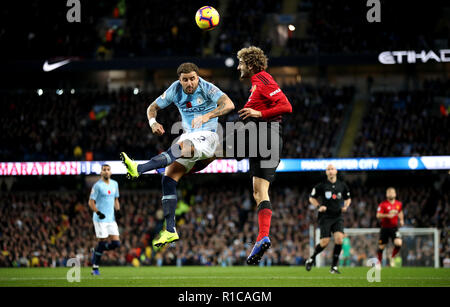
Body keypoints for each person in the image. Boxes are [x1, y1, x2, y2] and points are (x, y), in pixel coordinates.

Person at [120, 62, 235, 248]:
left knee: (181, 147)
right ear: (179, 80)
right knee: (169, 177)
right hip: (189, 135)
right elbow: (152, 107)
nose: (189, 83)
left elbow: (229, 104)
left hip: (209, 135)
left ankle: (139, 168)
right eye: (185, 80)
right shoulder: (175, 89)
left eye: (192, 79)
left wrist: (209, 115)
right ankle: (170, 230)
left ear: (197, 77)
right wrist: (152, 123)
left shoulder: (207, 88)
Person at [235, 46, 292, 264]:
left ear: (250, 64)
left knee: (212, 146)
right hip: (270, 139)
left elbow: (286, 106)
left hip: (264, 134)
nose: (239, 67)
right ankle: (263, 236)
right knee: (260, 192)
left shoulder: (263, 78)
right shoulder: (256, 84)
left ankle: (169, 165)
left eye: (241, 63)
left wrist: (260, 113)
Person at [305, 164, 351, 274]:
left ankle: (334, 267)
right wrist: (318, 207)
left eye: (332, 169)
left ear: (336, 171)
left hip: (337, 216)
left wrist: (346, 206)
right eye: (328, 169)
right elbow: (312, 198)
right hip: (325, 217)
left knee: (339, 239)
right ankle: (311, 258)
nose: (330, 171)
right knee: (324, 242)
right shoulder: (321, 185)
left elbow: (348, 198)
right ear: (326, 172)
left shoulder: (342, 185)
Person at [88, 164, 121, 275]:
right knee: (102, 241)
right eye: (104, 170)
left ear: (110, 172)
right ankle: (95, 268)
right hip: (100, 219)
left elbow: (116, 199)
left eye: (108, 170)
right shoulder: (97, 186)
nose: (106, 171)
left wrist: (118, 210)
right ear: (101, 172)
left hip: (111, 219)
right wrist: (98, 212)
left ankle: (96, 250)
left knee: (116, 243)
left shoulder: (115, 184)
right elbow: (91, 202)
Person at [376, 187, 404, 267]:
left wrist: (401, 220)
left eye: (392, 192)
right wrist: (388, 215)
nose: (391, 193)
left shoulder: (399, 204)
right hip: (384, 228)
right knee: (381, 247)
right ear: (386, 194)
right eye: (389, 192)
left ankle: (392, 257)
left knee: (398, 243)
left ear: (395, 194)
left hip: (394, 227)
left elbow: (400, 212)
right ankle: (379, 262)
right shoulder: (383, 204)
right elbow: (378, 215)